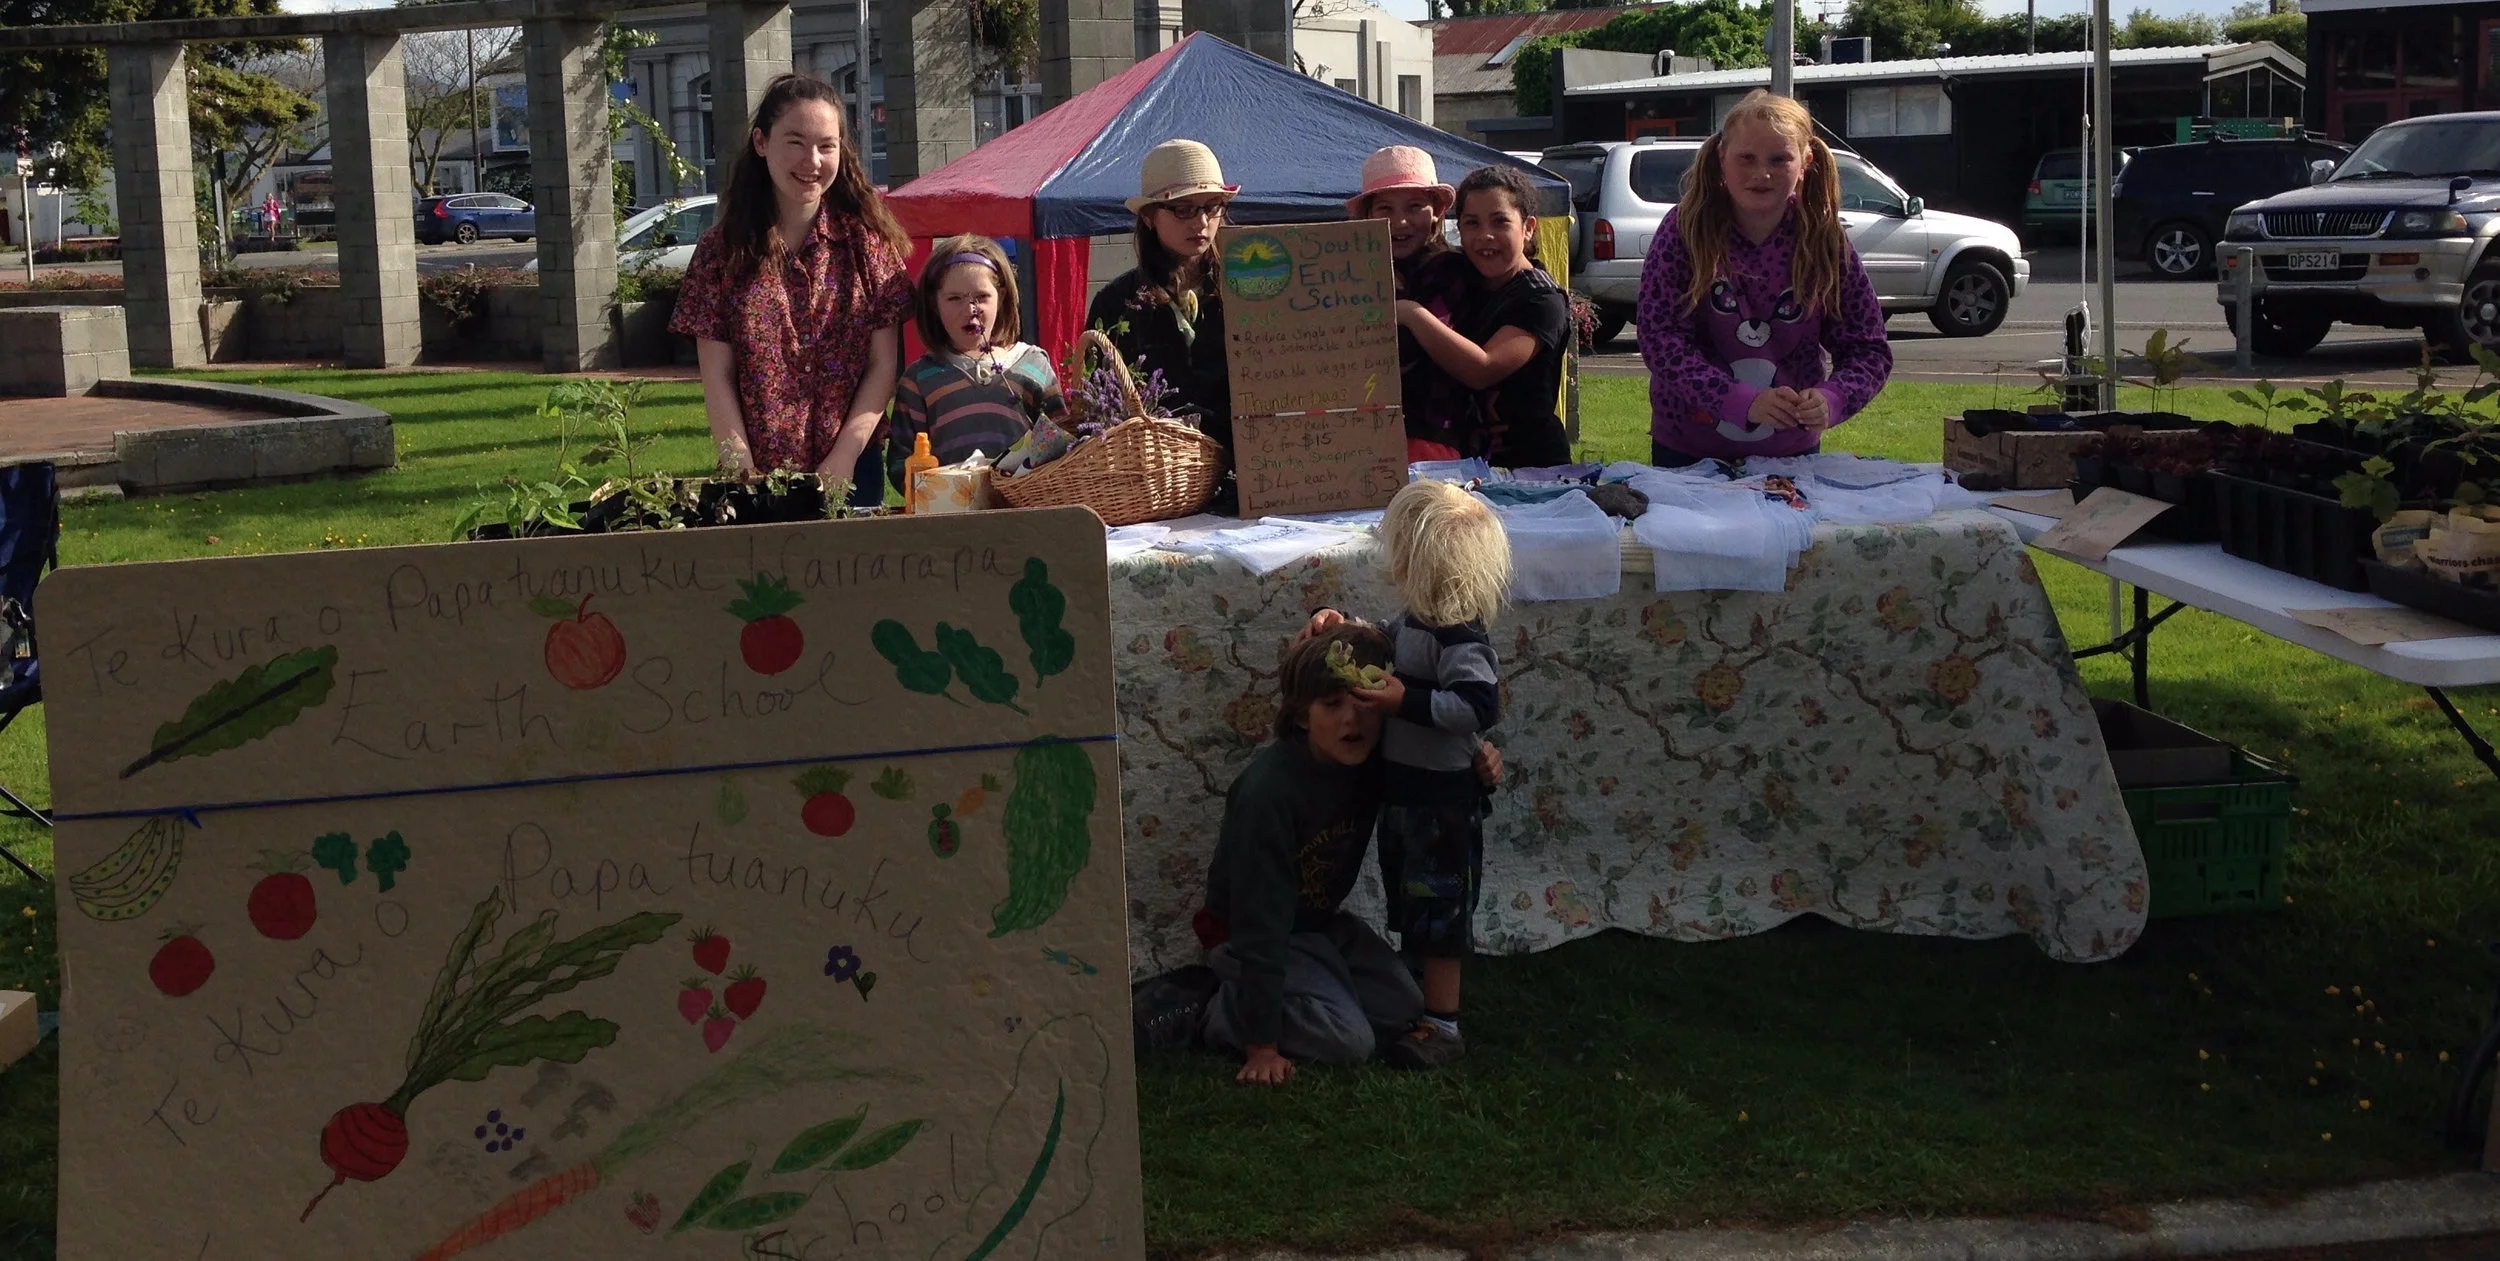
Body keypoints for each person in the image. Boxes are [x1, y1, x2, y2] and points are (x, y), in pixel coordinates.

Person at [1177, 621, 1504, 1085]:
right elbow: (1260, 920)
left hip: (1318, 925)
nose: (1352, 719)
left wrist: (1480, 767)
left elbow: (1436, 776)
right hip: (1248, 935)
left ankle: (1317, 984)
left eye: (1364, 702)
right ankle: (1210, 1007)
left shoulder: (1374, 762)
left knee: (1408, 1011)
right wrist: (1262, 1046)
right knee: (1349, 1041)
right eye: (1332, 705)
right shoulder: (1268, 793)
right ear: (1301, 715)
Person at [671, 73, 913, 506]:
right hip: (756, 475)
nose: (812, 161)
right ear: (762, 143)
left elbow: (882, 368)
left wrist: (843, 458)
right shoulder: (719, 252)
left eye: (827, 145)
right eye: (796, 142)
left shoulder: (871, 247)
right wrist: (741, 467)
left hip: (853, 468)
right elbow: (717, 376)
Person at [1635, 89, 1892, 468]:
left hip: (1791, 455)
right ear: (1722, 158)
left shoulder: (1824, 238)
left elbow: (1868, 349)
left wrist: (1833, 398)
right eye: (1747, 158)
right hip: (1688, 451)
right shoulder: (1685, 228)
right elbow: (1660, 340)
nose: (1761, 173)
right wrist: (1742, 401)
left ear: (1805, 163)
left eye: (1779, 159)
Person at [1348, 478, 1509, 1069]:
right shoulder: (1415, 622)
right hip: (1409, 797)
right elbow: (1383, 643)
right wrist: (1342, 626)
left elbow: (1477, 707)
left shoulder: (1459, 635)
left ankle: (1443, 1024)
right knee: (1411, 896)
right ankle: (1419, 995)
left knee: (1439, 906)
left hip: (1443, 804)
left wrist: (1404, 702)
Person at [1394, 165, 1573, 470]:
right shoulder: (1460, 278)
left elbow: (1482, 368)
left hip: (1533, 469)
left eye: (1500, 222)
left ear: (1528, 227)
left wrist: (1411, 313)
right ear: (1458, 229)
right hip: (1468, 463)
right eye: (1472, 223)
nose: (1485, 236)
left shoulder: (1542, 300)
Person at [1086, 139, 1237, 456]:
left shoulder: (1247, 289)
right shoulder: (1116, 303)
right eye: (1184, 209)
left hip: (1249, 477)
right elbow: (1097, 410)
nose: (1202, 222)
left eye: (1212, 206)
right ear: (1149, 216)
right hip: (1155, 479)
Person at [884, 234, 1067, 492]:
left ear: (1001, 297)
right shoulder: (919, 380)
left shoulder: (1033, 364)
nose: (971, 309)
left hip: (1025, 511)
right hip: (950, 516)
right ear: (934, 304)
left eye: (982, 297)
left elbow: (1060, 444)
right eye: (954, 298)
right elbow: (900, 463)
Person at [1345, 146, 1479, 463]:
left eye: (1415, 206)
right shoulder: (1350, 272)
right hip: (1357, 436)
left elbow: (1407, 349)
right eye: (1385, 209)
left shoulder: (1450, 270)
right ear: (1367, 214)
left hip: (1430, 437)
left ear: (1436, 211)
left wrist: (1399, 310)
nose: (1400, 221)